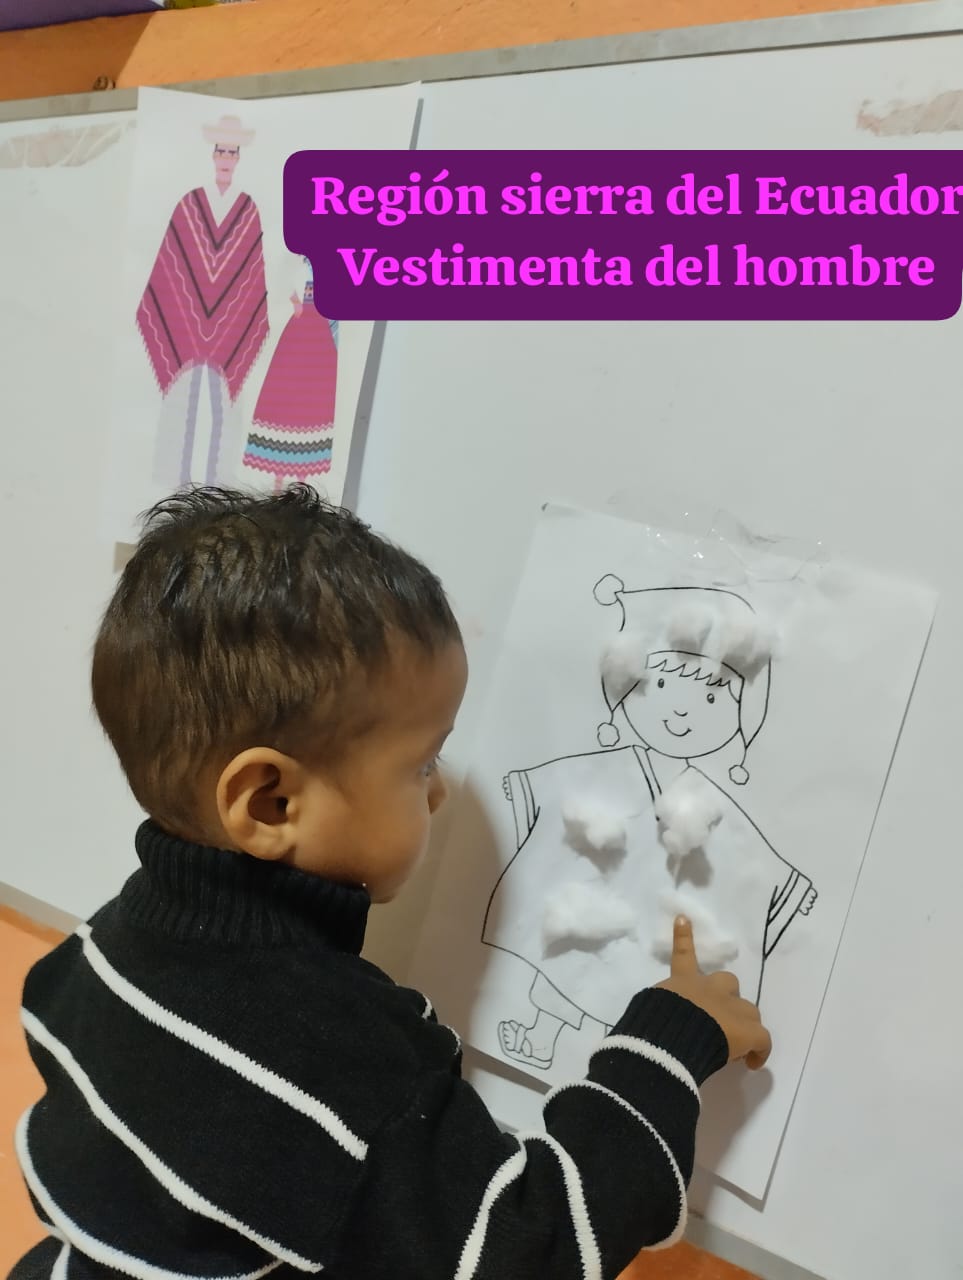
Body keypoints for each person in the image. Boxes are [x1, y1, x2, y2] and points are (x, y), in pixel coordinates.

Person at [8, 488, 772, 1280]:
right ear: (271, 803)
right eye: (423, 763)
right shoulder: (346, 1068)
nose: (438, 792)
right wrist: (668, 1041)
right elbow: (528, 1245)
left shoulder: (91, 953)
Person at [486, 576, 815, 1073]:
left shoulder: (704, 796)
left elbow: (743, 845)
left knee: (631, 980)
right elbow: (568, 778)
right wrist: (524, 787)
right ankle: (542, 1034)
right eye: (662, 685)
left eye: (712, 699)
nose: (681, 709)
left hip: (654, 907)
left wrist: (788, 883)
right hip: (601, 891)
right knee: (571, 963)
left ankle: (617, 1060)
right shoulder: (613, 766)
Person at [137, 115, 269, 489]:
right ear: (213, 155)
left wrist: (230, 318)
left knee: (225, 405)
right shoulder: (190, 203)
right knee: (182, 400)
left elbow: (250, 273)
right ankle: (174, 482)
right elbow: (171, 262)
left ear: (239, 157)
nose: (226, 158)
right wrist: (188, 311)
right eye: (221, 151)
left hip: (231, 327)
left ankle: (217, 484)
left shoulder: (247, 208)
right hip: (185, 321)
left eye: (232, 152)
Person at [243, 255, 339, 492]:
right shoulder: (303, 265)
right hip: (303, 328)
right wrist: (297, 303)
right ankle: (278, 480)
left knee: (311, 408)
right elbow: (285, 282)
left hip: (320, 336)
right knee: (287, 401)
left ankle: (300, 483)